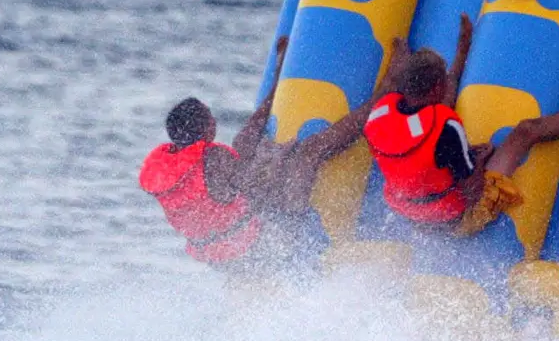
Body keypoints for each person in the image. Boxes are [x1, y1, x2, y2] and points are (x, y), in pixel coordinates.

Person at [140, 36, 395, 271]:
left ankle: (277, 81)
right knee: (308, 152)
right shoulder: (214, 159)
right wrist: (282, 156)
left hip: (218, 258)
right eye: (211, 116)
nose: (214, 120)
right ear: (208, 127)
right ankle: (381, 95)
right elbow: (259, 190)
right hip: (255, 249)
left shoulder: (173, 165)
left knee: (245, 140)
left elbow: (230, 191)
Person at [365, 13, 559, 238]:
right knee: (525, 131)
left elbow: (423, 140)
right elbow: (471, 190)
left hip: (414, 217)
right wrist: (479, 160)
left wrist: (463, 50)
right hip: (456, 219)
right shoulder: (445, 127)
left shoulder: (382, 112)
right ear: (436, 89)